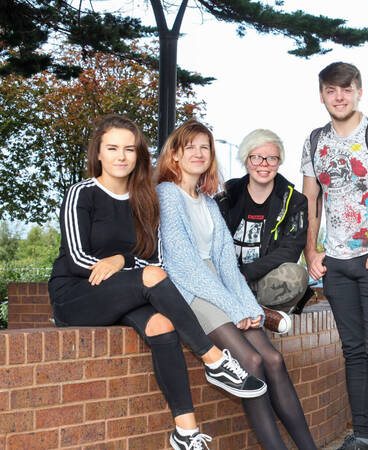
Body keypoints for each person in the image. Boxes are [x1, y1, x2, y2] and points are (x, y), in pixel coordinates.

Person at [48, 115, 266, 450]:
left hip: (124, 294)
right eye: (113, 148)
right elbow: (78, 259)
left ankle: (186, 432)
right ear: (99, 154)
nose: (121, 156)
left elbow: (157, 259)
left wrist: (122, 261)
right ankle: (215, 361)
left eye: (129, 149)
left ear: (138, 155)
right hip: (77, 296)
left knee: (162, 325)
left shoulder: (145, 200)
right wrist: (132, 268)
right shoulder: (83, 193)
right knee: (150, 277)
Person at [155, 121, 316, 450]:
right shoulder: (167, 195)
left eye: (205, 147)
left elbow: (228, 265)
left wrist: (247, 308)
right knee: (252, 363)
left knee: (272, 360)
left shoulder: (209, 202)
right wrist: (233, 308)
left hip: (215, 284)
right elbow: (185, 266)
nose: (199, 153)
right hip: (188, 290)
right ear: (174, 155)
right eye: (191, 147)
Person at [301, 62, 368, 450]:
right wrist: (313, 250)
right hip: (337, 265)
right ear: (322, 95)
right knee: (354, 351)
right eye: (332, 90)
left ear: (359, 91)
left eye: (346, 89)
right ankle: (363, 434)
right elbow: (311, 200)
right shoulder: (314, 141)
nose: (339, 97)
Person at [215, 128, 313, 315]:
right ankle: (238, 305)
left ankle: (254, 310)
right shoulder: (226, 195)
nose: (264, 164)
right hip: (226, 279)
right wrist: (231, 276)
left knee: (297, 276)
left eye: (272, 158)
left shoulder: (294, 200)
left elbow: (290, 251)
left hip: (262, 281)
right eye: (256, 157)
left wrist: (246, 274)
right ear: (246, 159)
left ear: (279, 162)